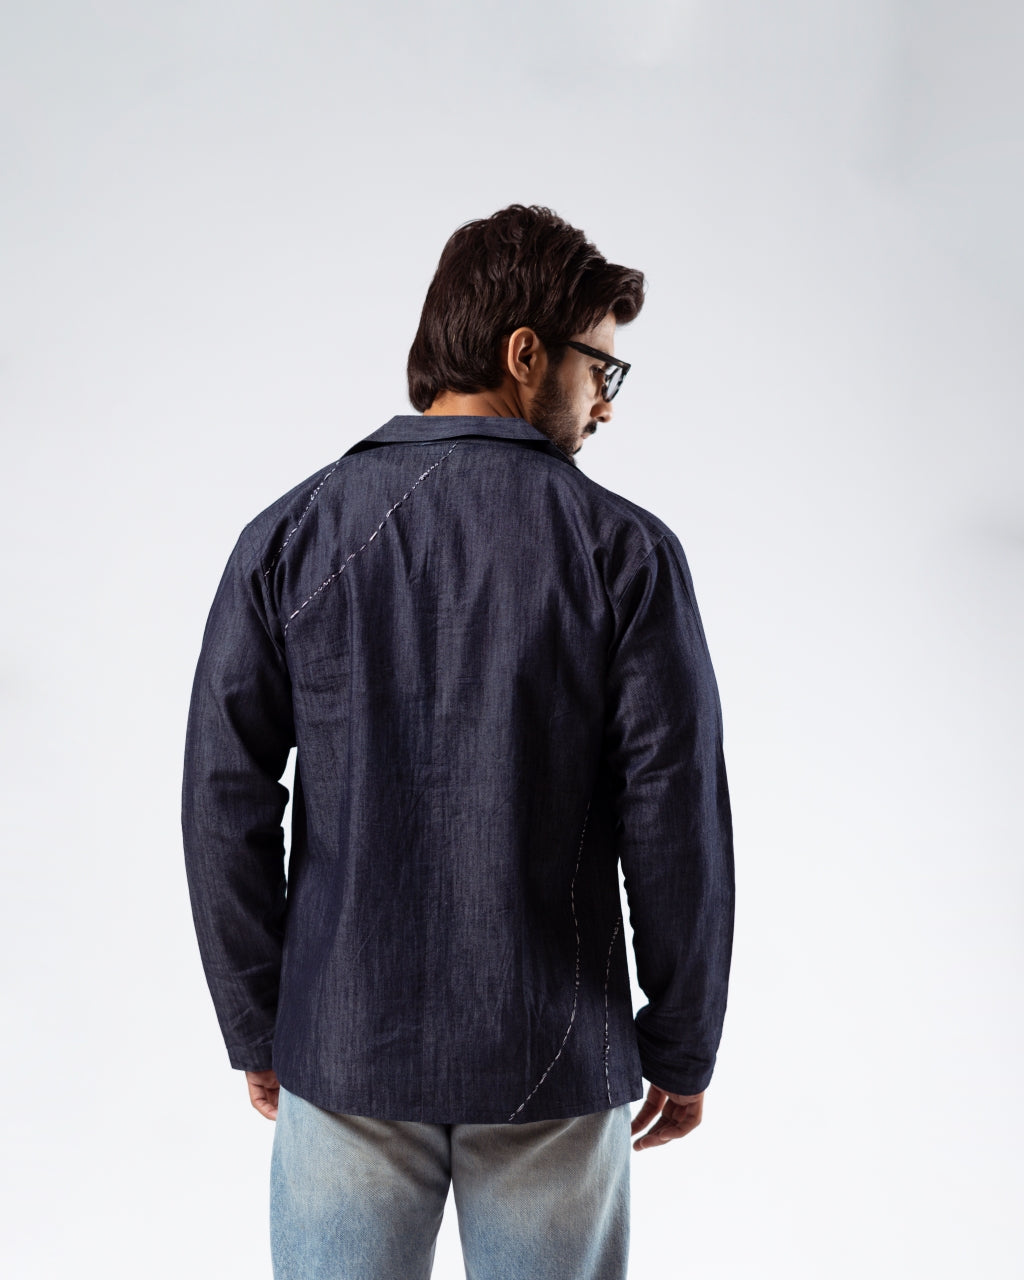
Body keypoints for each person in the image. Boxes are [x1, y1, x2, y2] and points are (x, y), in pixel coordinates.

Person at [182, 204, 735, 1279]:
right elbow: (675, 815)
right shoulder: (623, 553)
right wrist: (681, 1036)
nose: (604, 405)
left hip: (341, 1047)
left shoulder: (290, 536)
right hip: (554, 1053)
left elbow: (222, 796)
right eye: (600, 370)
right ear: (525, 354)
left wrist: (260, 1020)